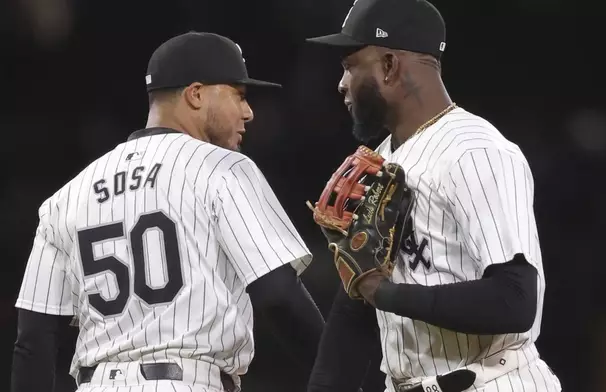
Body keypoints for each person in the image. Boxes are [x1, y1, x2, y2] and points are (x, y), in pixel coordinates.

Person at [11, 31, 325, 392]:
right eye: (238, 95)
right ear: (195, 94)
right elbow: (281, 297)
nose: (248, 112)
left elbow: (33, 340)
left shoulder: (64, 199)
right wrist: (341, 379)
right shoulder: (222, 168)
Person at [304, 0, 562, 391]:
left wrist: (381, 291)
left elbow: (515, 300)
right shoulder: (382, 161)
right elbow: (354, 311)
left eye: (350, 65)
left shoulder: (475, 151)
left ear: (389, 66)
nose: (342, 83)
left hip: (493, 381)